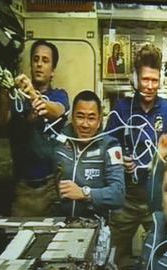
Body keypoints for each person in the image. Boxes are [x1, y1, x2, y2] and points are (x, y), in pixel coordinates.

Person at [107, 44, 167, 270]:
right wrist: (120, 158)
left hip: (157, 198)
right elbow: (107, 146)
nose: (150, 86)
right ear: (135, 79)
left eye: (155, 80)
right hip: (126, 199)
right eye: (145, 80)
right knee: (112, 257)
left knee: (162, 257)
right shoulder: (121, 109)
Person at [0, 40, 69, 217]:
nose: (39, 64)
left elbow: (56, 111)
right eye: (35, 59)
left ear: (53, 70)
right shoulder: (17, 98)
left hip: (52, 186)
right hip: (23, 188)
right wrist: (5, 95)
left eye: (45, 60)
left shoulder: (59, 95)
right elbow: (0, 123)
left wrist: (32, 94)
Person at [52, 90, 125, 221]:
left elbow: (118, 194)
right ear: (72, 118)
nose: (85, 124)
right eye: (80, 117)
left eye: (91, 118)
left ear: (99, 121)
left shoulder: (110, 146)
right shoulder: (58, 142)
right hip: (60, 224)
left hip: (93, 226)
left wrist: (84, 193)